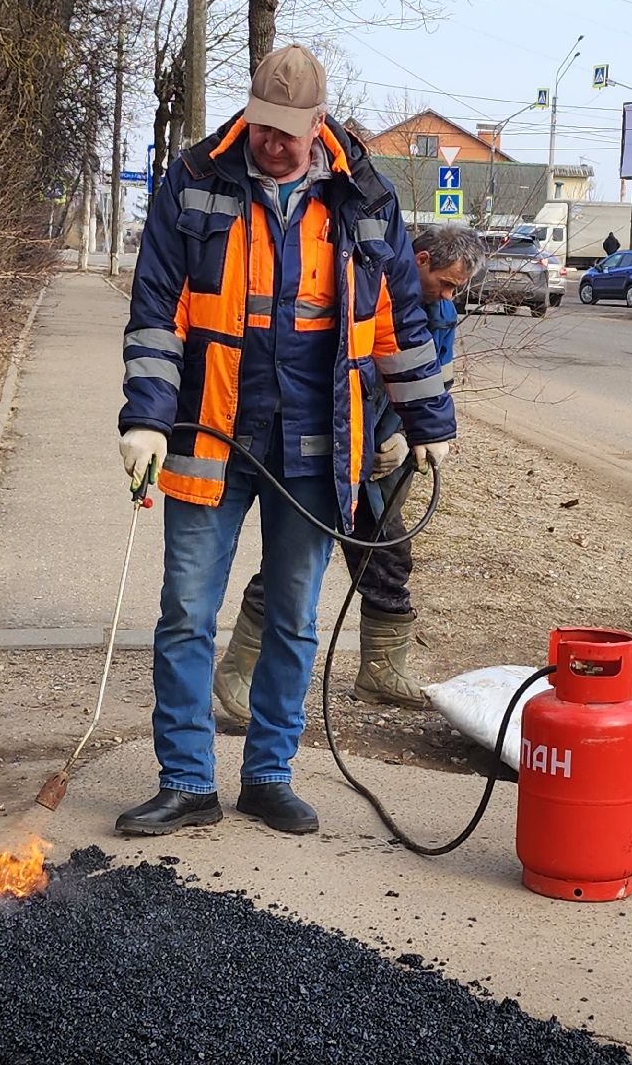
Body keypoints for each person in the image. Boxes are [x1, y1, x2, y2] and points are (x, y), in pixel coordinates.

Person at [116, 45, 457, 837]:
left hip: (317, 438)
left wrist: (428, 421)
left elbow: (399, 319)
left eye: (288, 132)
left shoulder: (364, 196)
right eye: (263, 126)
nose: (273, 143)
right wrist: (144, 417)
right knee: (185, 612)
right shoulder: (194, 179)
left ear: (317, 123)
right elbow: (156, 310)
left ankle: (269, 775)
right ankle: (186, 781)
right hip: (209, 429)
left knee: (295, 618)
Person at [213, 223, 482, 719]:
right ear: (420, 260)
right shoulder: (362, 283)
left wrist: (407, 438)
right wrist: (352, 442)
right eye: (445, 283)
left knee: (389, 556)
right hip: (329, 445)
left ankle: (380, 672)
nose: (449, 297)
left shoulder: (440, 314)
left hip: (383, 455)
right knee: (294, 558)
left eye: (456, 289)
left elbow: (433, 384)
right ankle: (241, 669)